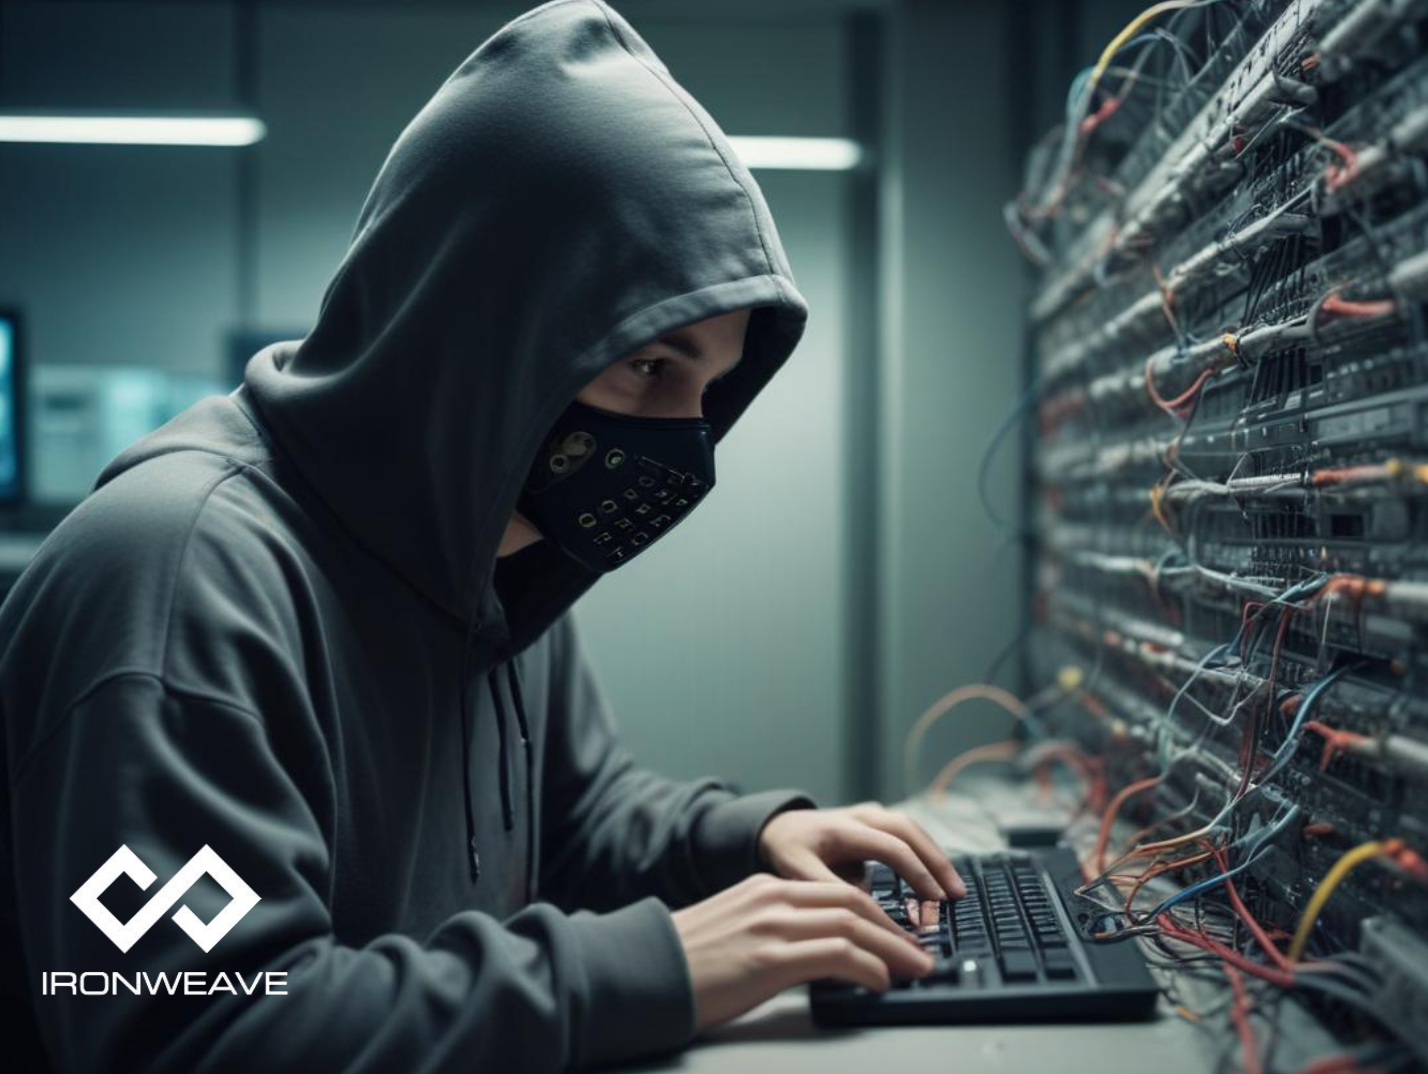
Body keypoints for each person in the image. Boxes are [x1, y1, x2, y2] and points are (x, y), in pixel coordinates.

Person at [0, 2, 966, 1071]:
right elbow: (195, 1023)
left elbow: (573, 818)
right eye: (648, 366)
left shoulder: (490, 549)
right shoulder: (179, 579)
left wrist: (741, 843)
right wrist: (657, 967)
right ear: (485, 332)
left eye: (706, 386)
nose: (683, 441)